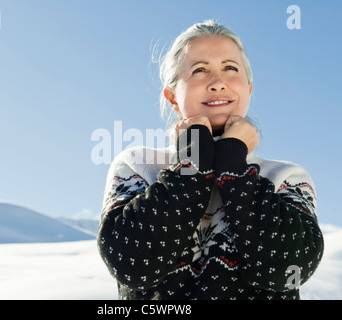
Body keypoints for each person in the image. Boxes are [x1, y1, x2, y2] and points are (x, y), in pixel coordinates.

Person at [97, 20, 324, 300]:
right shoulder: (137, 166)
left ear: (249, 89)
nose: (218, 83)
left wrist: (235, 168)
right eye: (199, 70)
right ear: (172, 97)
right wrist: (194, 158)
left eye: (230, 68)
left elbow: (289, 271)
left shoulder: (286, 177)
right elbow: (131, 264)